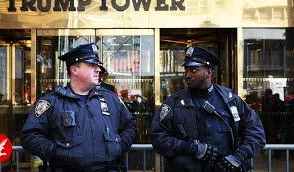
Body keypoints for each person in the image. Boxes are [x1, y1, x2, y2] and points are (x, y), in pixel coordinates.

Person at [21, 43, 137, 171]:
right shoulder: (52, 103)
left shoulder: (111, 99)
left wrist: (119, 145)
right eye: (91, 65)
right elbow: (29, 137)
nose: (98, 69)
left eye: (97, 65)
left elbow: (130, 125)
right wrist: (57, 152)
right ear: (74, 70)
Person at [151, 46, 266, 172]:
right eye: (186, 70)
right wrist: (191, 148)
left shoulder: (230, 100)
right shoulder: (173, 103)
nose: (187, 75)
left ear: (209, 72)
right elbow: (159, 138)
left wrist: (238, 157)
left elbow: (256, 133)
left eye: (194, 70)